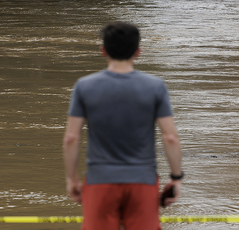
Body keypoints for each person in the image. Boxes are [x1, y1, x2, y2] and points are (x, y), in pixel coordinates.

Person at [63, 22, 183, 230]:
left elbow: (71, 138)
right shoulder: (155, 87)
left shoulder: (84, 86)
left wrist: (72, 179)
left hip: (100, 181)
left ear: (103, 51)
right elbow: (170, 137)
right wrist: (175, 177)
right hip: (142, 181)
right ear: (138, 52)